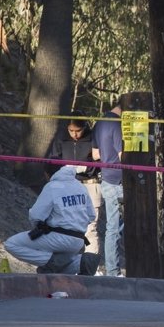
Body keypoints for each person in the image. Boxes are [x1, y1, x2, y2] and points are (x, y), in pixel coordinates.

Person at [4, 165, 100, 275]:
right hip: (78, 241)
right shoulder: (80, 187)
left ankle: (51, 261)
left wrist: (40, 227)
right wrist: (77, 225)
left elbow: (36, 216)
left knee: (12, 244)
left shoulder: (52, 187)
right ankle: (80, 263)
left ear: (47, 174)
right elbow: (91, 215)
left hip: (58, 238)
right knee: (58, 271)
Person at [49, 111, 104, 273]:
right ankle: (64, 264)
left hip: (90, 183)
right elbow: (52, 159)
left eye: (78, 131)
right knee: (65, 223)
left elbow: (98, 160)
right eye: (71, 131)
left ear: (85, 127)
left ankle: (89, 266)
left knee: (91, 226)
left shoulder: (93, 137)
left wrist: (85, 167)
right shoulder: (61, 137)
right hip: (67, 184)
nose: (74, 135)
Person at [92, 96, 124, 277]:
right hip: (119, 180)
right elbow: (123, 155)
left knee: (112, 226)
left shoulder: (101, 121)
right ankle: (113, 270)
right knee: (115, 228)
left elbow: (96, 154)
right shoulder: (117, 125)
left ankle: (112, 268)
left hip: (106, 178)